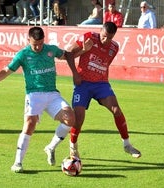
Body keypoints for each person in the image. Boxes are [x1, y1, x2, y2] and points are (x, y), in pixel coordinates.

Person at [0, 26, 77, 173]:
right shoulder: (23, 55)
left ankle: (50, 147)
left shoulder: (51, 50)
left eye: (41, 43)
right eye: (35, 44)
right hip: (34, 95)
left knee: (70, 118)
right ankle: (17, 163)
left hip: (52, 93)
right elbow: (5, 71)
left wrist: (84, 50)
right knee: (29, 124)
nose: (38, 47)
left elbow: (67, 55)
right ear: (28, 40)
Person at [44, 22, 141, 166]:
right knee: (78, 118)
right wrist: (75, 73)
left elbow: (105, 64)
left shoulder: (114, 47)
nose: (105, 40)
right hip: (83, 84)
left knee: (116, 110)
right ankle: (73, 147)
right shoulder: (88, 37)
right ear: (100, 31)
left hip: (101, 84)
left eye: (109, 38)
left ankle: (127, 145)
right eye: (103, 36)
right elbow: (69, 53)